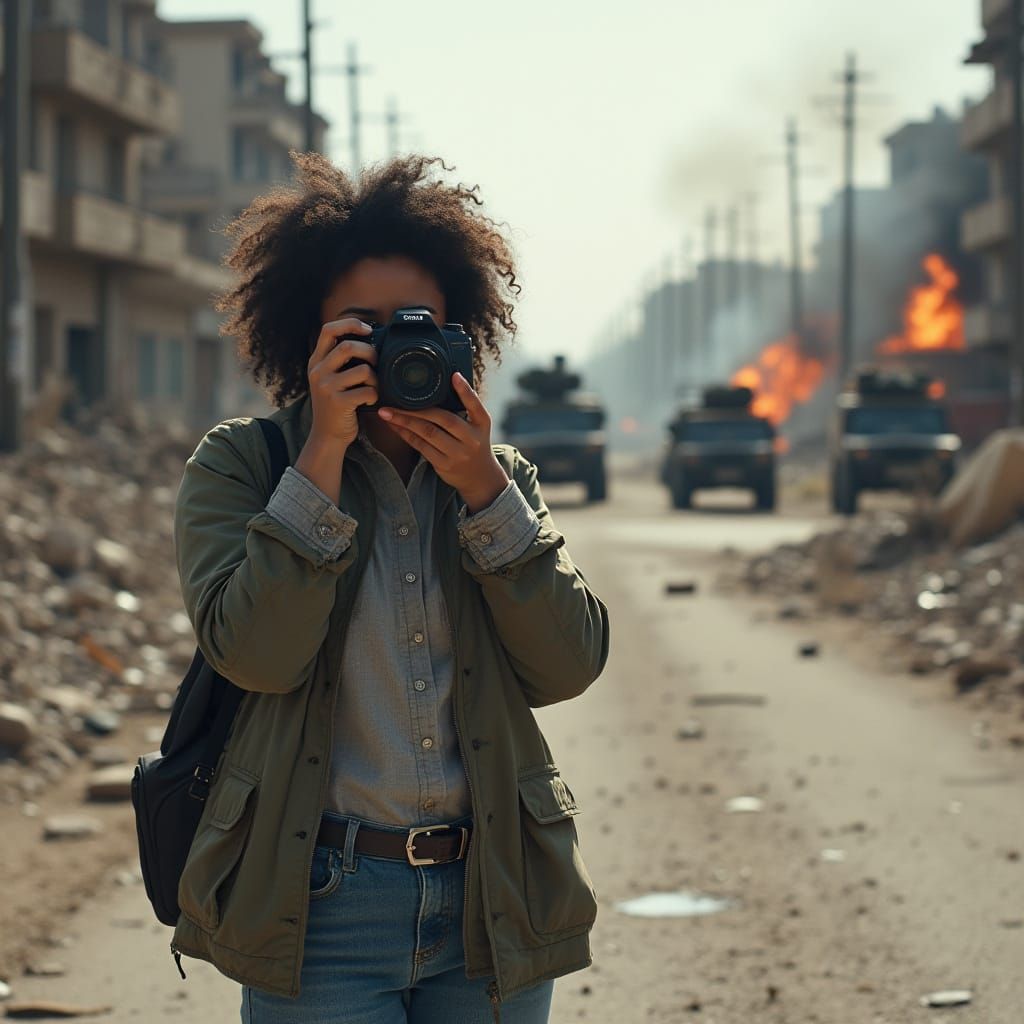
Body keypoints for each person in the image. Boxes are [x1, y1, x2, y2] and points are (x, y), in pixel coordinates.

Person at [169, 153, 609, 1024]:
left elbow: (569, 667)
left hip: (493, 897)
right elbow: (255, 657)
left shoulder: (496, 475)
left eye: (415, 324)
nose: (392, 347)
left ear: (459, 336)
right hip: (322, 906)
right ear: (308, 335)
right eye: (359, 328)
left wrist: (487, 494)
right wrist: (321, 461)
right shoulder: (244, 465)